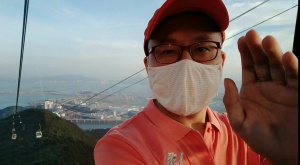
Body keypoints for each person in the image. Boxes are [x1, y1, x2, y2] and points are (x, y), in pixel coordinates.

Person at [94, 0, 298, 164]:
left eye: (202, 48)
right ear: (148, 67)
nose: (186, 63)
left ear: (222, 61)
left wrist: (288, 157)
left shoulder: (248, 131)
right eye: (167, 50)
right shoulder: (121, 146)